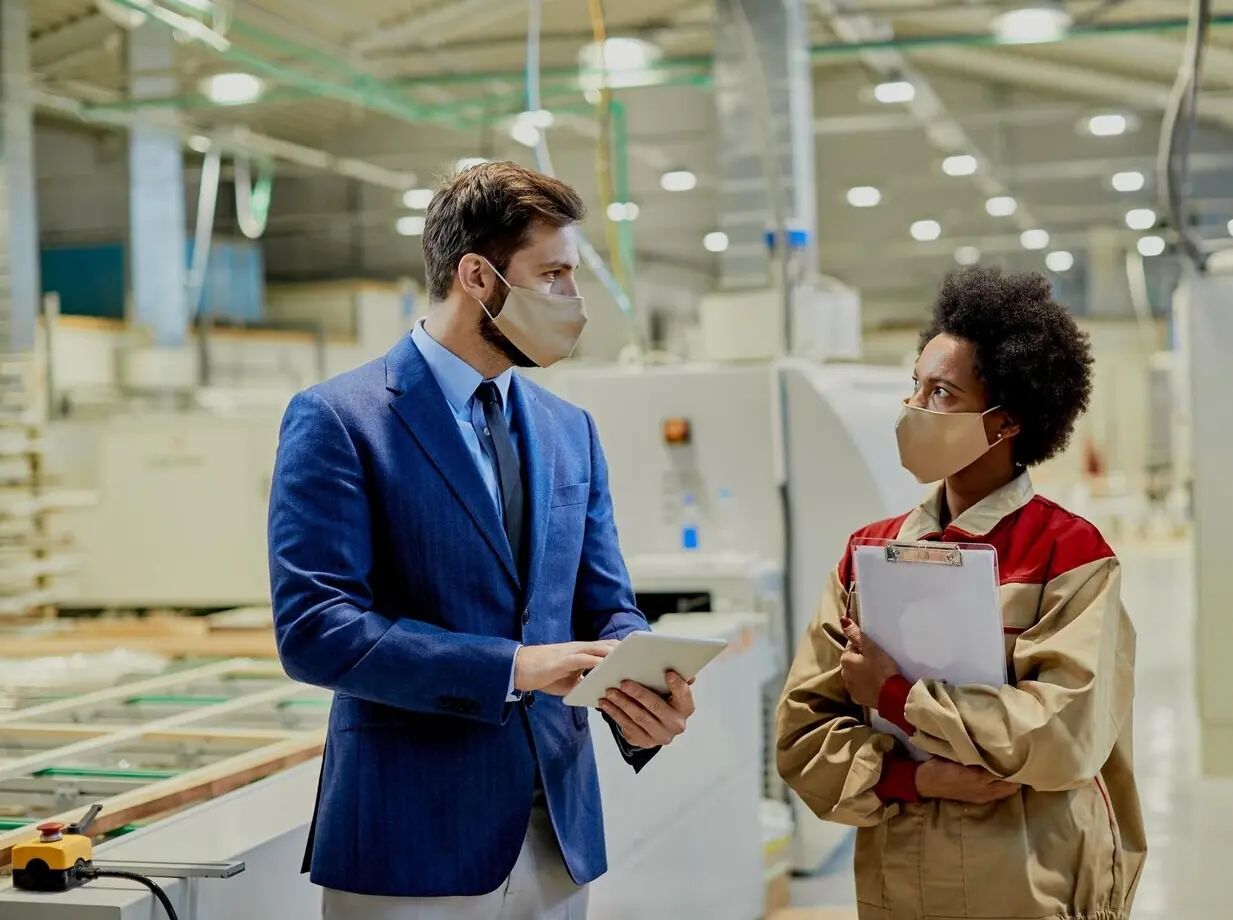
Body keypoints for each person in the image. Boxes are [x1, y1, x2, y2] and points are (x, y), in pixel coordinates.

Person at [268, 161, 695, 920]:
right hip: (410, 842)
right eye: (554, 274)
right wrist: (515, 667)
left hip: (557, 833)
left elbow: (604, 602)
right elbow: (317, 631)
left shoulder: (570, 432)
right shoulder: (341, 419)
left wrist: (639, 680)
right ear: (477, 276)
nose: (572, 300)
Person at [776, 267, 1146, 920]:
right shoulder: (867, 556)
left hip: (1031, 885)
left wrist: (898, 697)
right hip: (901, 886)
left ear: (1005, 422)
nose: (914, 408)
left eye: (941, 391)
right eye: (914, 386)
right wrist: (913, 778)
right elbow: (802, 738)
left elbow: (1062, 735)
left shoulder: (1069, 556)